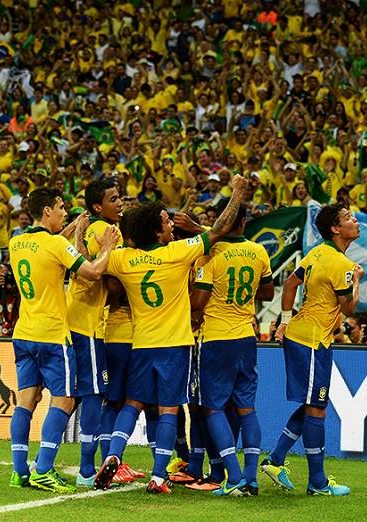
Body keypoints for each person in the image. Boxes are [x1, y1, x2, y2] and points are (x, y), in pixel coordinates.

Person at [94, 175, 248, 494]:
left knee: (131, 404)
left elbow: (102, 269)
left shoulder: (123, 259)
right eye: (166, 220)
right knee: (169, 410)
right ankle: (159, 476)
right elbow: (218, 231)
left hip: (141, 345)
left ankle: (113, 455)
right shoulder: (177, 253)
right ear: (155, 230)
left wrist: (106, 244)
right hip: (175, 346)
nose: (171, 225)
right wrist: (236, 195)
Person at [7, 187, 119, 493]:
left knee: (26, 402)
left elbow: (50, 244)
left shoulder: (16, 241)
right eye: (60, 208)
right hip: (53, 336)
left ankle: (19, 471)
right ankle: (43, 468)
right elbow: (95, 271)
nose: (63, 213)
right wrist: (107, 247)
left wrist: (73, 228)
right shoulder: (56, 244)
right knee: (65, 400)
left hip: (23, 334)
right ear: (46, 211)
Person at [261, 202, 363, 497]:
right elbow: (349, 307)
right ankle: (317, 482)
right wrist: (357, 280)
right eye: (348, 217)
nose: (354, 220)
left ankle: (276, 460)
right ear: (335, 228)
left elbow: (291, 284)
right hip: (312, 342)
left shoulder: (317, 253)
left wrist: (284, 321)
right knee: (317, 408)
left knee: (312, 404)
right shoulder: (343, 265)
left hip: (305, 336)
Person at [190, 198, 275, 496]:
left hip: (216, 338)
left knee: (212, 409)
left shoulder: (211, 254)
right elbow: (267, 292)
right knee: (246, 409)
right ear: (244, 222)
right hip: (246, 337)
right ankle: (251, 478)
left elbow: (198, 303)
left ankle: (234, 476)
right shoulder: (259, 250)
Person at [62, 178, 136, 487]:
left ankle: (44, 461)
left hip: (73, 320)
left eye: (120, 197)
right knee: (93, 395)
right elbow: (100, 276)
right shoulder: (108, 233)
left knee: (73, 396)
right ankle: (85, 469)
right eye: (114, 198)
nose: (120, 202)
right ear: (98, 207)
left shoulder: (89, 228)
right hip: (88, 323)